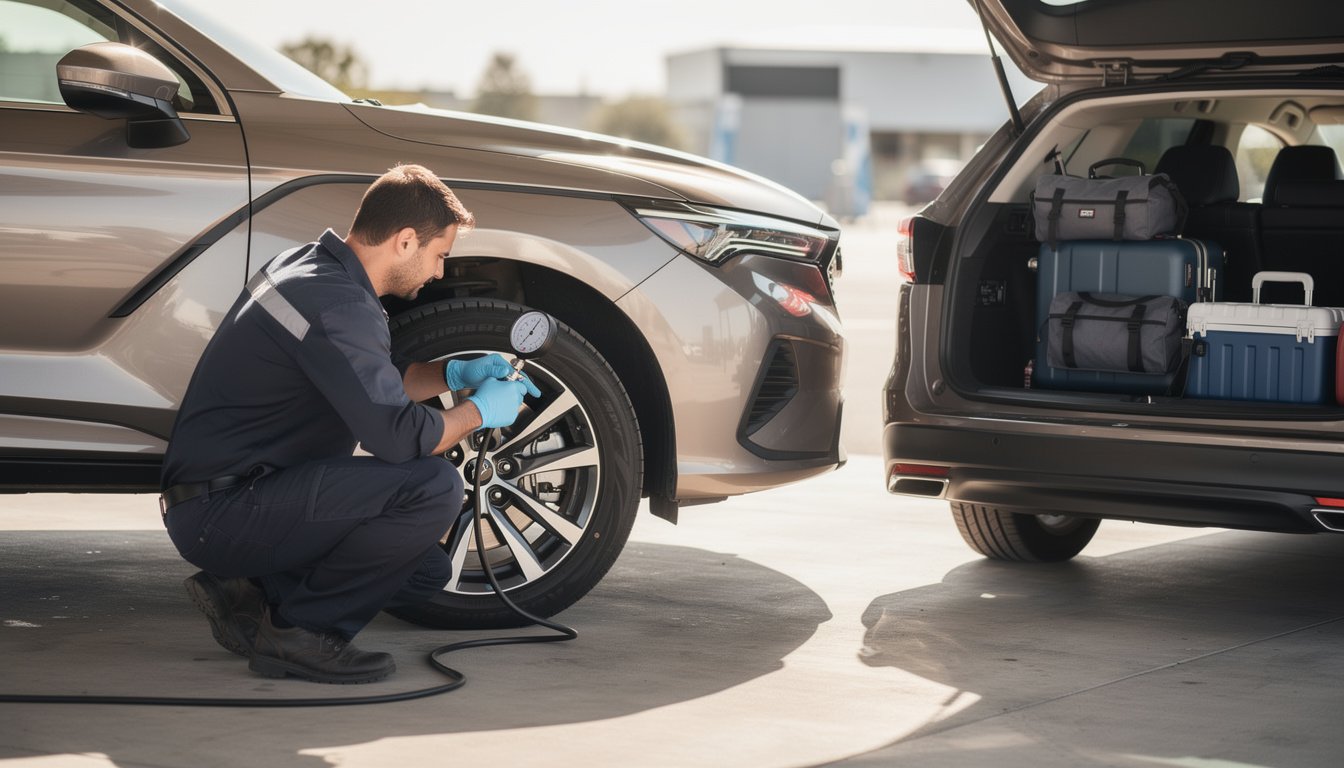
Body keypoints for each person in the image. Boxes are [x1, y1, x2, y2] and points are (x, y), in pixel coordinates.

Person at [159, 164, 539, 684]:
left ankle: (245, 591)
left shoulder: (308, 269)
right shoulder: (341, 305)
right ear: (406, 241)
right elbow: (397, 438)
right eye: (440, 255)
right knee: (432, 487)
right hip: (227, 509)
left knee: (424, 572)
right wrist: (478, 413)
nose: (439, 273)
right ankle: (298, 634)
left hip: (221, 498)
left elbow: (361, 379)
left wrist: (453, 374)